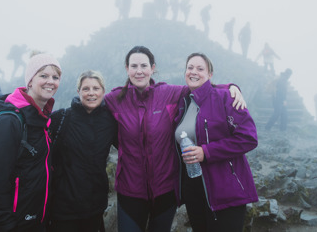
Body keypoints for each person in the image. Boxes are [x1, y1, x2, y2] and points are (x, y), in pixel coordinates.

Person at [104, 46, 246, 232]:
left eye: (144, 65)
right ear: (127, 68)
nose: (139, 71)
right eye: (134, 66)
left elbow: (201, 87)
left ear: (153, 68)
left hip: (165, 190)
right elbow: (91, 100)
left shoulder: (169, 93)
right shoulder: (114, 99)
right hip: (130, 190)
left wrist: (231, 87)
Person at [174, 53, 258, 232]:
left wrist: (207, 152)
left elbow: (248, 138)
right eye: (190, 68)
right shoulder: (183, 102)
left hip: (225, 189)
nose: (193, 72)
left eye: (200, 68)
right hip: (194, 190)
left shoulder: (226, 97)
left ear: (210, 74)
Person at [0, 52, 62, 231]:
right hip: (14, 224)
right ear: (30, 81)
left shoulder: (43, 119)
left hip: (36, 219)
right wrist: (4, 226)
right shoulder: (9, 121)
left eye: (55, 77)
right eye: (44, 75)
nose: (51, 81)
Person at [48, 70, 118, 232]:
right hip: (63, 209)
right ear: (78, 91)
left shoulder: (110, 121)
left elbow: (131, 147)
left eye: (96, 88)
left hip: (94, 207)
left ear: (103, 91)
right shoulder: (61, 118)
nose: (91, 93)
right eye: (86, 89)